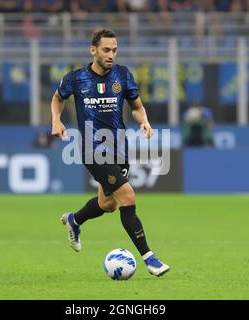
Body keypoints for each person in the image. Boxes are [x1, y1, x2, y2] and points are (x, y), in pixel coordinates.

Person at [50, 28, 170, 277]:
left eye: (114, 50)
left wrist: (144, 121)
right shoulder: (76, 78)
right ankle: (150, 258)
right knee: (128, 197)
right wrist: (56, 120)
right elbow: (57, 98)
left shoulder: (123, 75)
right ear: (93, 50)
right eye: (106, 50)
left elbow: (136, 106)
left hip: (119, 148)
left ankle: (75, 220)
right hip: (92, 149)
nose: (111, 54)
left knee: (107, 205)